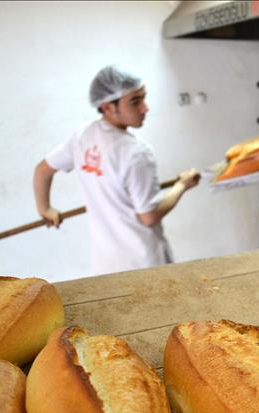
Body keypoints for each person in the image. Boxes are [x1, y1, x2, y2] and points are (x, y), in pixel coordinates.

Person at [33, 65, 200, 274]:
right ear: (107, 107)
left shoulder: (82, 137)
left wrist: (44, 209)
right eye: (135, 102)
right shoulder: (136, 153)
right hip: (144, 265)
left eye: (143, 98)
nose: (145, 108)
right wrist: (182, 185)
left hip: (106, 266)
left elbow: (42, 170)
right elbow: (148, 216)